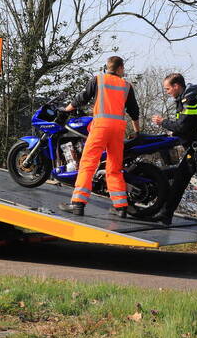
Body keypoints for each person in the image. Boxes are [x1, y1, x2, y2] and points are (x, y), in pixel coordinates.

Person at [59, 56, 141, 218]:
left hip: (100, 127)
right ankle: (121, 207)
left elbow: (81, 98)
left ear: (108, 67)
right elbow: (134, 111)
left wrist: (66, 110)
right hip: (118, 130)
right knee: (114, 167)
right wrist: (137, 131)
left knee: (88, 163)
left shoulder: (98, 80)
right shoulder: (126, 86)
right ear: (120, 68)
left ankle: (78, 204)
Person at [150, 73, 197, 238]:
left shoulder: (190, 99)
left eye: (168, 88)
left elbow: (183, 125)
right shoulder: (185, 98)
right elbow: (188, 125)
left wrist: (163, 122)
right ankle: (166, 215)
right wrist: (173, 132)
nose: (167, 92)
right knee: (180, 180)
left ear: (176, 86)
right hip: (195, 148)